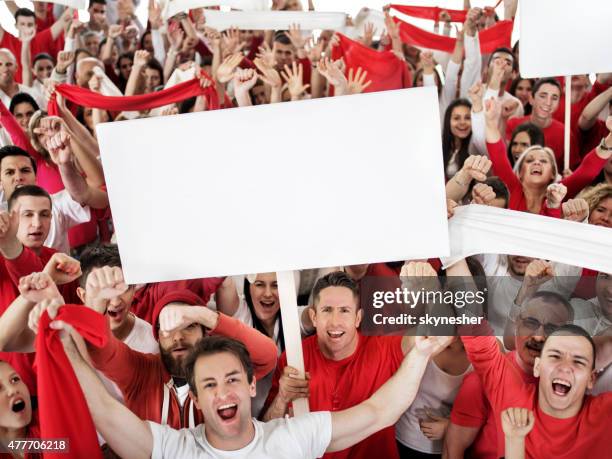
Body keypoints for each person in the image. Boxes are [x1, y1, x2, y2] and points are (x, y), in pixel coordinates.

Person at [36, 296, 451, 459]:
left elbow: (380, 411)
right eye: (210, 385)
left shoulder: (291, 438)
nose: (223, 393)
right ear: (196, 399)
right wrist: (67, 346)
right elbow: (107, 415)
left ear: (252, 386)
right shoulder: (176, 448)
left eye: (232, 379)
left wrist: (420, 353)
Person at [263, 269, 438, 459]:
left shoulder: (383, 350)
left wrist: (430, 293)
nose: (335, 322)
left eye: (344, 311)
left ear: (358, 318)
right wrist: (281, 399)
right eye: (327, 310)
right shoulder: (294, 359)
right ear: (314, 317)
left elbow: (438, 330)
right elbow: (264, 436)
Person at [81, 265, 277, 429]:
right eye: (167, 328)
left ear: (205, 332)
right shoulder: (140, 372)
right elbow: (102, 352)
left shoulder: (223, 371)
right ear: (157, 337)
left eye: (189, 326)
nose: (178, 337)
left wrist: (206, 315)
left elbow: (267, 356)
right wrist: (95, 305)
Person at [460, 322, 612, 458]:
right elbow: (476, 331)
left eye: (578, 361)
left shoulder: (606, 413)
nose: (565, 367)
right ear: (538, 367)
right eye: (555, 356)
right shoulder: (514, 398)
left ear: (591, 379)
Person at [485, 97, 612, 216]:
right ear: (520, 173)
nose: (537, 163)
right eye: (529, 160)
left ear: (553, 173)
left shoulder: (561, 192)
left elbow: (588, 170)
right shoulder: (512, 187)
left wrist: (610, 138)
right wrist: (490, 122)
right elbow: (498, 156)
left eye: (544, 161)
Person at [506, 78, 580, 170]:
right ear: (531, 99)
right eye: (543, 96)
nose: (548, 103)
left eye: (554, 98)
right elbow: (505, 161)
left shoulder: (565, 133)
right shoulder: (513, 124)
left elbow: (573, 169)